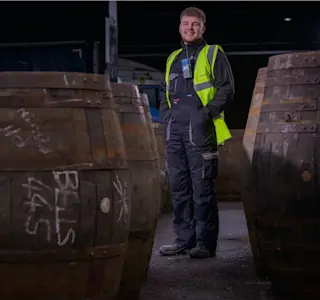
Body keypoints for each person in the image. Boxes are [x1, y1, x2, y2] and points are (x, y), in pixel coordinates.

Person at [159, 7, 235, 259]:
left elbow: (227, 88)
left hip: (201, 130)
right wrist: (166, 120)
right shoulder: (172, 57)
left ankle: (204, 242)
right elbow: (166, 94)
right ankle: (183, 239)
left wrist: (206, 114)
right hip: (176, 131)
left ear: (203, 28)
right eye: (185, 23)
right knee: (179, 189)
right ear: (179, 27)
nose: (189, 27)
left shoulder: (214, 54)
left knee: (202, 189)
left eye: (194, 24)